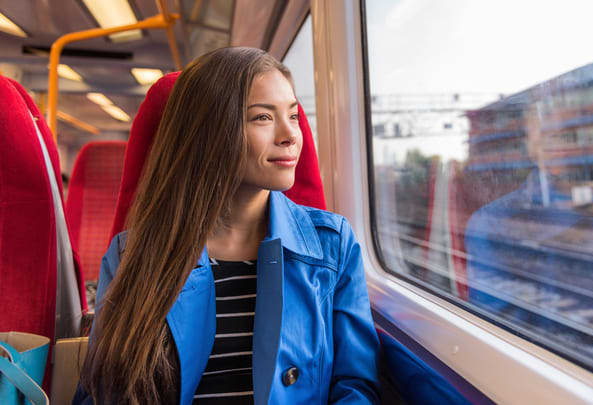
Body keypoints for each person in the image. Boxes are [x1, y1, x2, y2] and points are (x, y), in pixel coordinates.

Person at [73, 47, 380, 405]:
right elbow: (101, 393)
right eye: (263, 118)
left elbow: (356, 388)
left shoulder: (334, 245)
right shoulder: (132, 254)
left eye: (293, 116)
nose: (290, 135)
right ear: (210, 132)